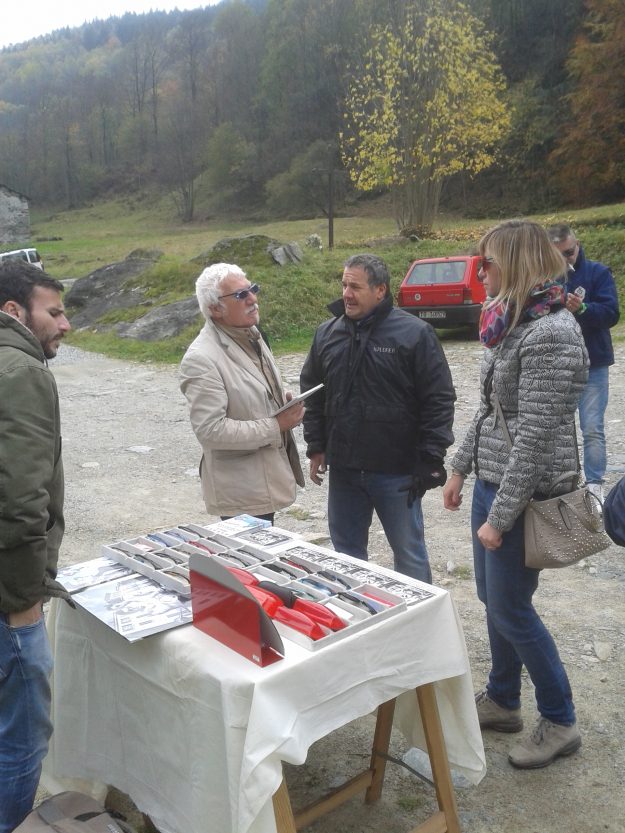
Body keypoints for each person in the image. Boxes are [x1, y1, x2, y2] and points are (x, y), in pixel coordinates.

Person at [443, 219, 588, 769]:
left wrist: (500, 517)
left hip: (523, 495)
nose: (479, 273)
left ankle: (560, 720)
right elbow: (489, 410)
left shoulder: (552, 332)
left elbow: (534, 438)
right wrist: (460, 468)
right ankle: (504, 700)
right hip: (492, 484)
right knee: (494, 600)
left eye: (487, 263)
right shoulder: (509, 321)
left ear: (517, 264)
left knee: (511, 608)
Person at [300, 253, 455, 583]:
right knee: (345, 555)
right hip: (344, 469)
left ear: (380, 290)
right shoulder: (327, 333)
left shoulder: (415, 334)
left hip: (396, 471)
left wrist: (431, 458)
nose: (346, 294)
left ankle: (419, 613)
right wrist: (316, 445)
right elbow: (312, 393)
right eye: (344, 285)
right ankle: (354, 609)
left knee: (409, 553)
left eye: (355, 287)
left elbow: (439, 399)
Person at [0, 261, 71, 832]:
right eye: (54, 312)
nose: (65, 325)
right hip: (9, 596)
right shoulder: (22, 371)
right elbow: (22, 499)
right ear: (14, 311)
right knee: (22, 738)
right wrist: (25, 599)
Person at [179, 263, 304, 523]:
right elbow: (210, 430)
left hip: (263, 478)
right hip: (240, 489)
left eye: (252, 289)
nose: (252, 299)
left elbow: (249, 390)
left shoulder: (251, 334)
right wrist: (276, 425)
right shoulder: (201, 359)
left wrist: (279, 401)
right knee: (247, 550)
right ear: (215, 309)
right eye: (240, 295)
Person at [547, 224, 619, 499]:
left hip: (593, 363)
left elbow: (611, 313)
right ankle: (558, 481)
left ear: (577, 245)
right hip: (556, 363)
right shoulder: (544, 277)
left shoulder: (598, 273)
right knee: (553, 428)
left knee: (591, 427)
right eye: (559, 255)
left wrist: (584, 309)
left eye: (569, 252)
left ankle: (594, 484)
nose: (566, 259)